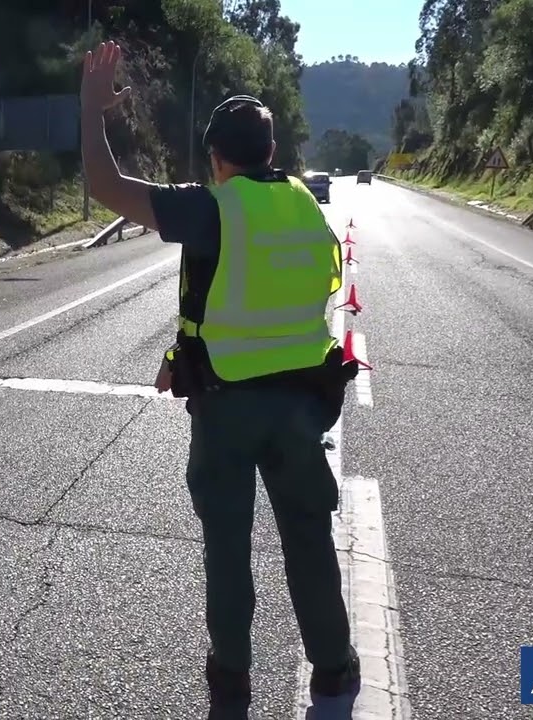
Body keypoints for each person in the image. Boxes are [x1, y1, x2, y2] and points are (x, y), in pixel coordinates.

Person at [79, 41, 362, 713]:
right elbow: (260, 298)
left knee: (229, 551)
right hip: (301, 406)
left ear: (216, 158)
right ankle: (334, 669)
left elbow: (106, 187)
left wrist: (92, 112)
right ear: (269, 151)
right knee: (309, 541)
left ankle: (232, 679)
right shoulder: (304, 205)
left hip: (229, 408)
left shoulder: (213, 208)